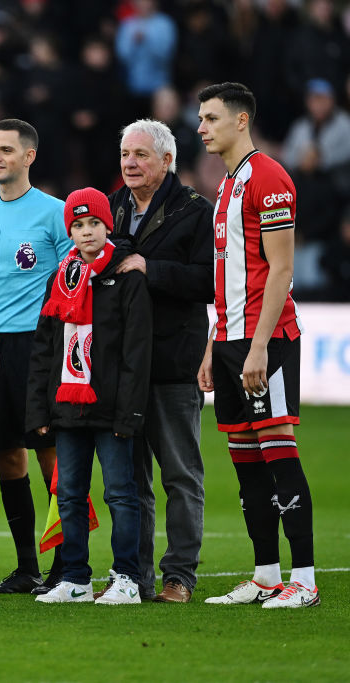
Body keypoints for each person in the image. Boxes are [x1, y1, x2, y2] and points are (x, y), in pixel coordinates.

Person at [196, 82, 318, 608]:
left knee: (279, 455)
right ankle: (267, 574)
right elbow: (229, 276)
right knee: (246, 464)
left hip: (264, 341)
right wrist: (212, 344)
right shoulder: (228, 185)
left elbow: (282, 269)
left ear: (241, 121)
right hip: (228, 340)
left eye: (211, 118)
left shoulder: (269, 178)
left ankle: (306, 581)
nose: (202, 127)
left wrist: (259, 347)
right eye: (201, 119)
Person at [0, 119, 72, 595]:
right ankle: (27, 566)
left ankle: (67, 565)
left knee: (52, 456)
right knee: (7, 457)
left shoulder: (54, 212)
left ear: (29, 156)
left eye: (6, 149)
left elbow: (73, 278)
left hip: (40, 347)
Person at [105, 119, 214, 603]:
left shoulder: (194, 210)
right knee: (131, 480)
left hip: (173, 360)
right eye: (126, 154)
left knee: (179, 474)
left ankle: (179, 576)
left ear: (167, 160)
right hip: (124, 365)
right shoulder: (112, 207)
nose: (130, 163)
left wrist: (152, 269)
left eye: (141, 155)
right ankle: (135, 576)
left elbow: (211, 282)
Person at [29, 188, 152, 605]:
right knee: (69, 494)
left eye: (93, 224)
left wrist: (130, 412)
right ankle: (76, 579)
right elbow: (45, 348)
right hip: (67, 407)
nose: (86, 232)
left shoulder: (128, 275)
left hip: (112, 408)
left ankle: (127, 579)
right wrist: (40, 410)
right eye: (78, 226)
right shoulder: (60, 278)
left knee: (120, 492)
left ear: (107, 226)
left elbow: (138, 350)